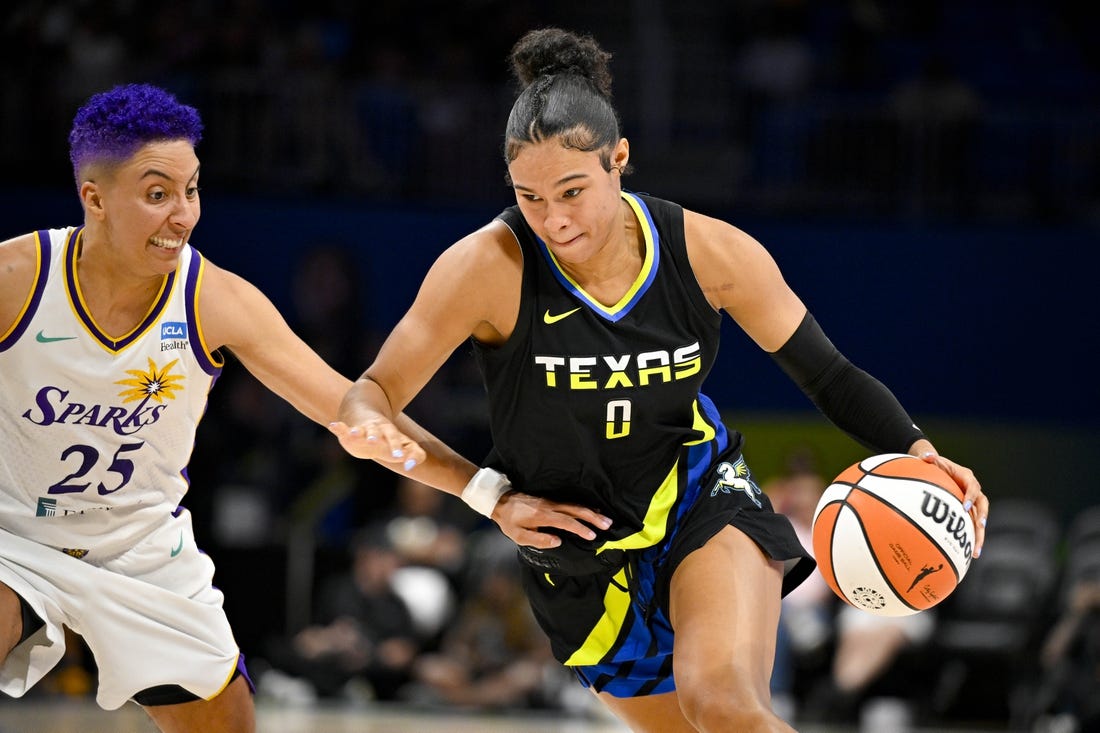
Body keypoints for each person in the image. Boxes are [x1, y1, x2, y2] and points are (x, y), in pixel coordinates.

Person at [331, 28, 989, 733]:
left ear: (619, 160)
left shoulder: (709, 251)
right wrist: (486, 494)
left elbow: (829, 374)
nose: (554, 219)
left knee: (726, 706)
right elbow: (371, 397)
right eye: (529, 196)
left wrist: (917, 449)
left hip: (699, 499)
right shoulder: (485, 267)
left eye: (573, 190)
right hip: (572, 553)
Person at [0, 83, 478, 733]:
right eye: (157, 193)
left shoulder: (214, 298)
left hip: (140, 550)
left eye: (192, 189)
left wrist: (490, 492)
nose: (183, 214)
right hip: (17, 539)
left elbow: (348, 400)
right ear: (95, 198)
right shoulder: (18, 279)